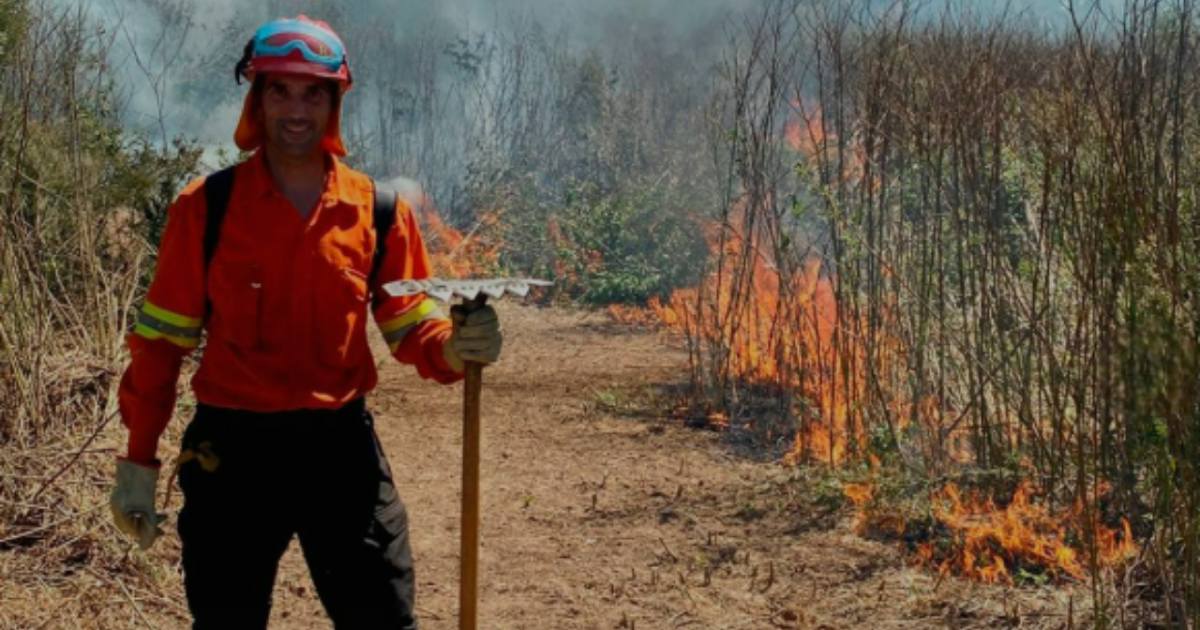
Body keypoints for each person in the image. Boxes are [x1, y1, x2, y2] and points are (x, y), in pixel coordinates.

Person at [108, 15, 501, 630]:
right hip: (232, 455)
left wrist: (453, 348)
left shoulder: (379, 211)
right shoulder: (204, 210)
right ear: (256, 100)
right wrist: (138, 461)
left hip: (340, 454)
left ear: (335, 102)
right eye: (279, 90)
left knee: (384, 619)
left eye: (313, 91)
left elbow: (409, 322)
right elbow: (160, 346)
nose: (296, 108)